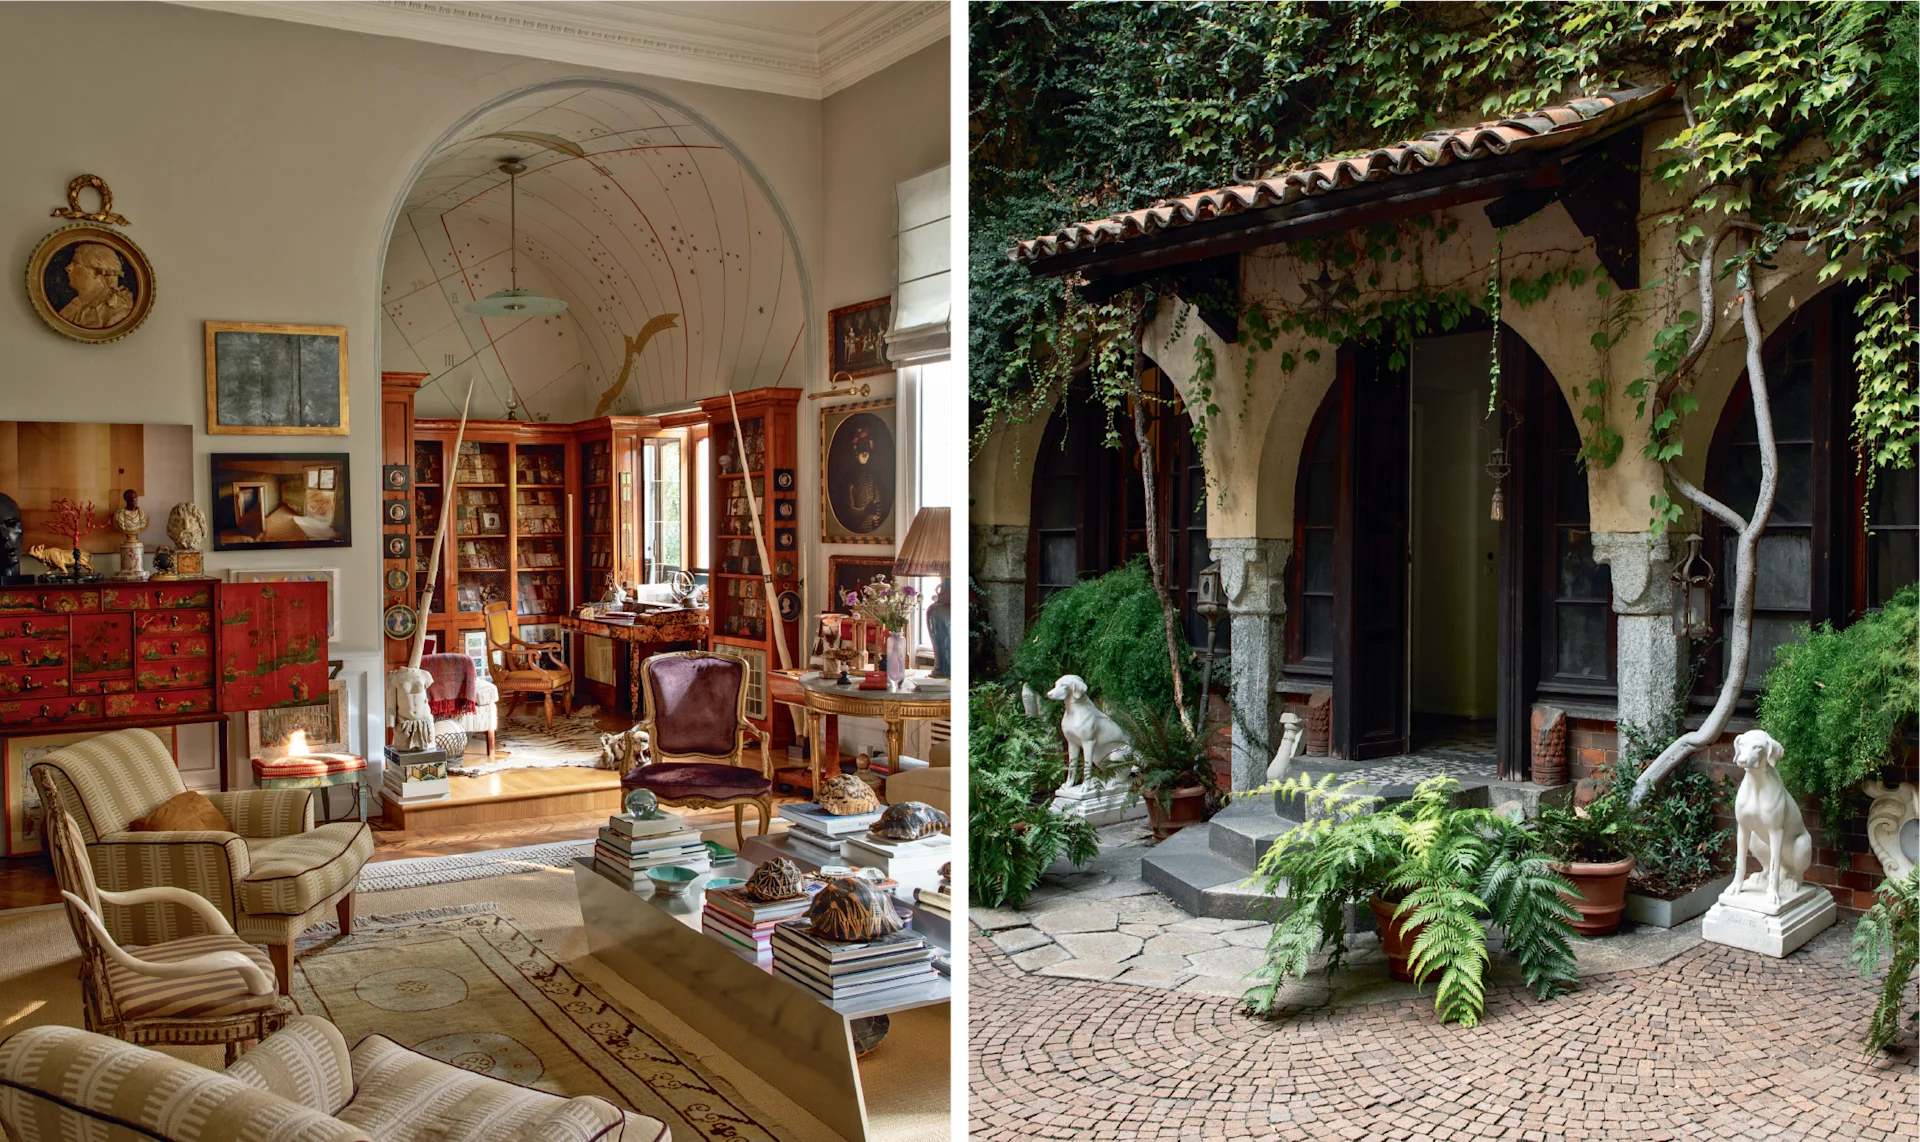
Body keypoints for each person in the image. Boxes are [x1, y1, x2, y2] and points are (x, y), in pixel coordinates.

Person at [55, 243, 133, 330]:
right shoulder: (74, 305)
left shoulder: (115, 314)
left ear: (96, 272)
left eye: (76, 263)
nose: (68, 268)